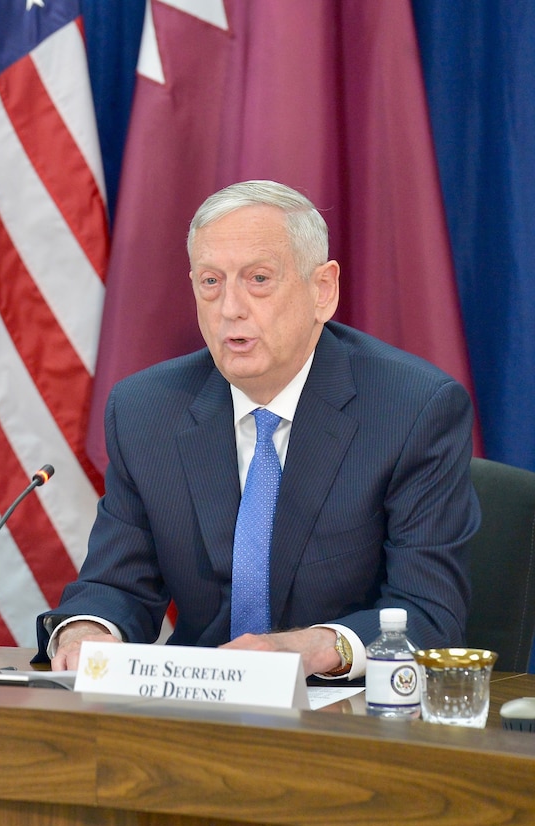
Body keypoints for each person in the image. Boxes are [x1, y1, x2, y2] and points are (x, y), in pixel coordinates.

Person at [38, 180, 479, 677]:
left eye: (259, 279)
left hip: (345, 716)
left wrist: (306, 650)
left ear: (323, 290)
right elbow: (118, 585)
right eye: (211, 282)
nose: (230, 308)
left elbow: (428, 613)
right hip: (198, 707)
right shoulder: (147, 411)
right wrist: (88, 629)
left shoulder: (412, 410)